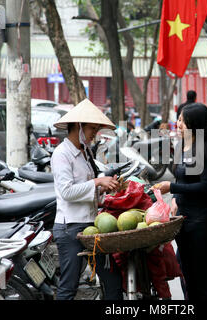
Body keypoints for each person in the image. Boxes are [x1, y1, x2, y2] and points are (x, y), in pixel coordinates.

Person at [51, 99, 123, 300]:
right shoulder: (61, 154)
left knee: (112, 280)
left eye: (97, 128)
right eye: (92, 128)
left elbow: (91, 191)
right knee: (69, 285)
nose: (95, 133)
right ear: (78, 126)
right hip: (70, 228)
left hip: (92, 227)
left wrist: (107, 187)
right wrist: (98, 182)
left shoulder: (86, 152)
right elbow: (67, 192)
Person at [153, 103, 207, 300]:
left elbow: (204, 187)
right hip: (185, 218)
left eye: (183, 120)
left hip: (200, 221)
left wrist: (171, 188)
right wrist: (175, 198)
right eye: (179, 119)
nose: (178, 124)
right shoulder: (185, 146)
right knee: (186, 272)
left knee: (201, 277)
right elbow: (184, 180)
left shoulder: (203, 150)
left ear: (195, 124)